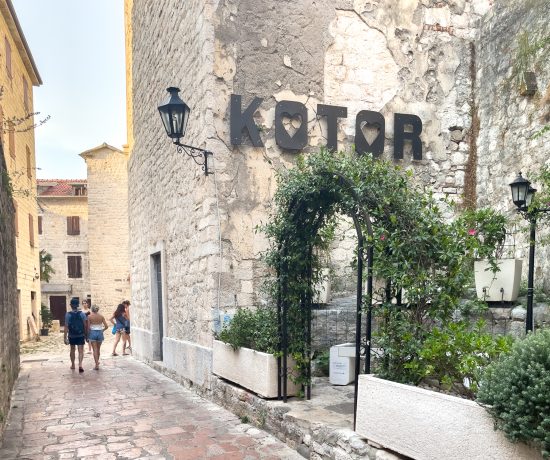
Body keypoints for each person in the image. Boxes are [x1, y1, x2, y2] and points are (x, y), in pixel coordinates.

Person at [64, 297, 89, 373]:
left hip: (72, 335)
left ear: (71, 305)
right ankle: (80, 365)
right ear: (78, 305)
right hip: (80, 334)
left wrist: (65, 337)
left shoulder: (68, 315)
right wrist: (86, 335)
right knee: (80, 350)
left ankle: (73, 364)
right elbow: (85, 325)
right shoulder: (82, 314)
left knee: (72, 349)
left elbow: (66, 326)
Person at [88, 305, 109, 370]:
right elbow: (106, 326)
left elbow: (88, 327)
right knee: (98, 349)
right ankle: (97, 362)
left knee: (94, 349)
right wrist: (102, 330)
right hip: (100, 332)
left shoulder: (89, 316)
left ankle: (96, 364)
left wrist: (87, 334)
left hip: (92, 332)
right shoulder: (101, 316)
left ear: (92, 309)